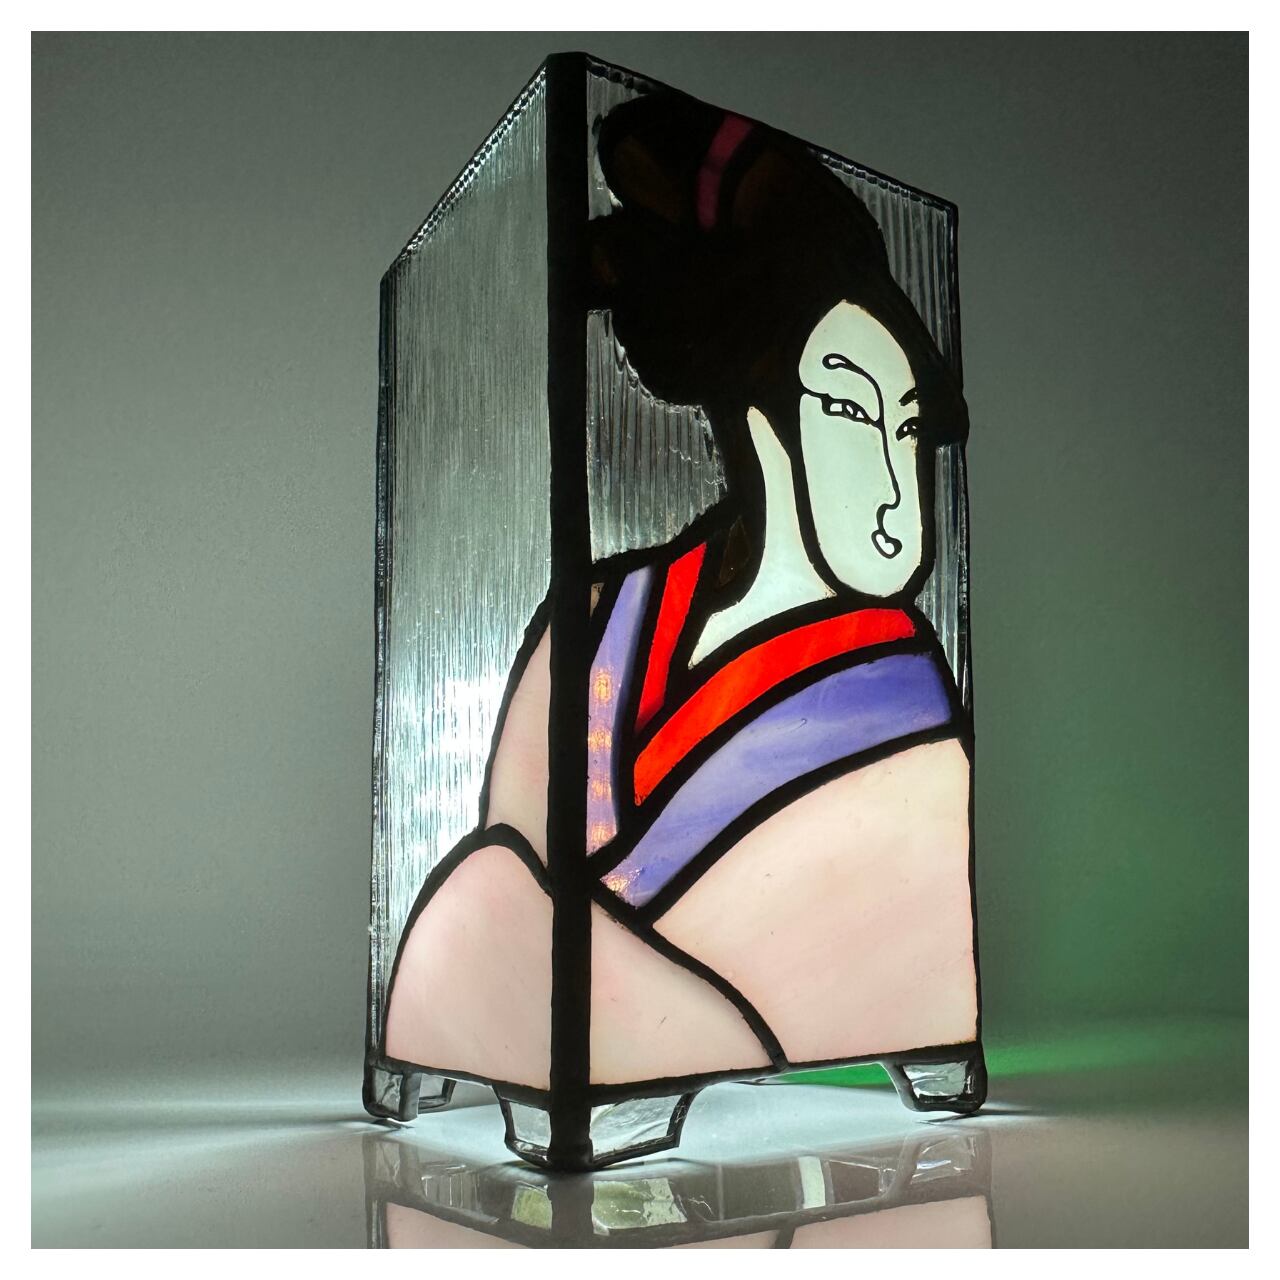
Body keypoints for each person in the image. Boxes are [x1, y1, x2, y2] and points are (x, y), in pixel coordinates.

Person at [380, 92, 982, 1108]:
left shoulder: (903, 694)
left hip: (712, 1013)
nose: (894, 485)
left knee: (490, 909)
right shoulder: (601, 618)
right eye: (847, 407)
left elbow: (872, 943)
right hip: (587, 1011)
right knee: (488, 895)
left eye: (907, 426)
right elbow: (511, 850)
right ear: (757, 415)